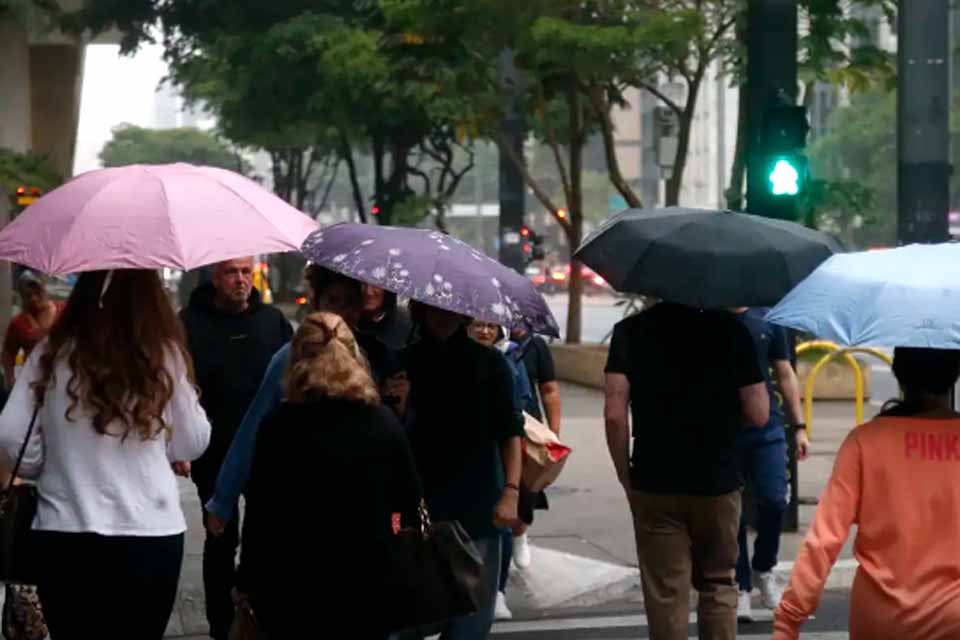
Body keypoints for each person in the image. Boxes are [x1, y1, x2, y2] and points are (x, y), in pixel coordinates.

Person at [0, 270, 211, 640]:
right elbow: (193, 441)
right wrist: (161, 444)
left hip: (64, 529)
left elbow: (10, 433)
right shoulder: (163, 354)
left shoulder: (51, 352)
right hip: (150, 533)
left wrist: (44, 463)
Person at [235, 312, 420, 639]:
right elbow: (407, 502)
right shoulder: (382, 424)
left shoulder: (279, 427)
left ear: (296, 360)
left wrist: (247, 581)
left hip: (292, 586)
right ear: (354, 356)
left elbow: (261, 514)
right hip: (368, 584)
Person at [604, 302, 769, 640]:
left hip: (654, 479)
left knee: (666, 591)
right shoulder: (733, 331)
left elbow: (615, 415)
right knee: (719, 582)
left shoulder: (630, 332)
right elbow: (759, 413)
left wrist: (626, 476)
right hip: (718, 481)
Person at [775, 347, 960, 639]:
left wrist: (789, 620)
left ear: (899, 373)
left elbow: (823, 540)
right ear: (955, 373)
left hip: (879, 618)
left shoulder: (865, 441)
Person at [204, 265, 405, 535]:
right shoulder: (290, 358)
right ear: (317, 302)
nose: (342, 311)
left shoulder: (378, 355)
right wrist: (223, 499)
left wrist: (398, 523)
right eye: (334, 301)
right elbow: (254, 426)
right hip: (302, 499)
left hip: (364, 501)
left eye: (350, 302)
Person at [179, 257, 292, 640]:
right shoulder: (188, 323)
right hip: (213, 447)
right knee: (219, 538)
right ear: (215, 278)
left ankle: (264, 618)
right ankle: (221, 626)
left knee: (267, 538)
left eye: (246, 271)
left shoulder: (272, 321)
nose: (241, 279)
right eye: (231, 272)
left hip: (268, 449)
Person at [398, 302, 524, 640]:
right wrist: (397, 404)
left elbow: (510, 432)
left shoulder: (490, 364)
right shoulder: (402, 363)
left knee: (472, 619)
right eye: (432, 307)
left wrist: (511, 492)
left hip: (478, 505)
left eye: (449, 308)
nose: (442, 315)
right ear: (419, 311)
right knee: (408, 618)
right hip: (417, 508)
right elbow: (385, 437)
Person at [731, 308, 810, 622]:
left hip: (769, 428)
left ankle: (765, 568)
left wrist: (800, 426)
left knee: (775, 499)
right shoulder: (712, 317)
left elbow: (785, 372)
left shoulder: (769, 318)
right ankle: (740, 584)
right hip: (725, 430)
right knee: (731, 508)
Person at [467, 320, 533, 621]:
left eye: (490, 326)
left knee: (499, 527)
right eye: (477, 325)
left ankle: (498, 591)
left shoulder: (506, 360)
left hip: (496, 457)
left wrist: (513, 488)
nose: (483, 331)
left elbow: (519, 410)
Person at [509, 325, 562, 570]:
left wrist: (554, 433)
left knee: (526, 488)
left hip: (529, 429)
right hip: (496, 427)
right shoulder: (485, 339)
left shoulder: (535, 346)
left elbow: (549, 390)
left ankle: (520, 536)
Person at [2, 272, 65, 390]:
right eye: (28, 296)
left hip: (62, 377)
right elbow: (8, 352)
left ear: (44, 288)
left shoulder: (64, 312)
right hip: (33, 380)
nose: (34, 299)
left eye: (37, 292)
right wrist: (9, 379)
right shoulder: (18, 323)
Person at [360, 283, 412, 351]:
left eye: (375, 283)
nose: (368, 292)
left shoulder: (404, 326)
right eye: (363, 283)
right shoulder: (347, 319)